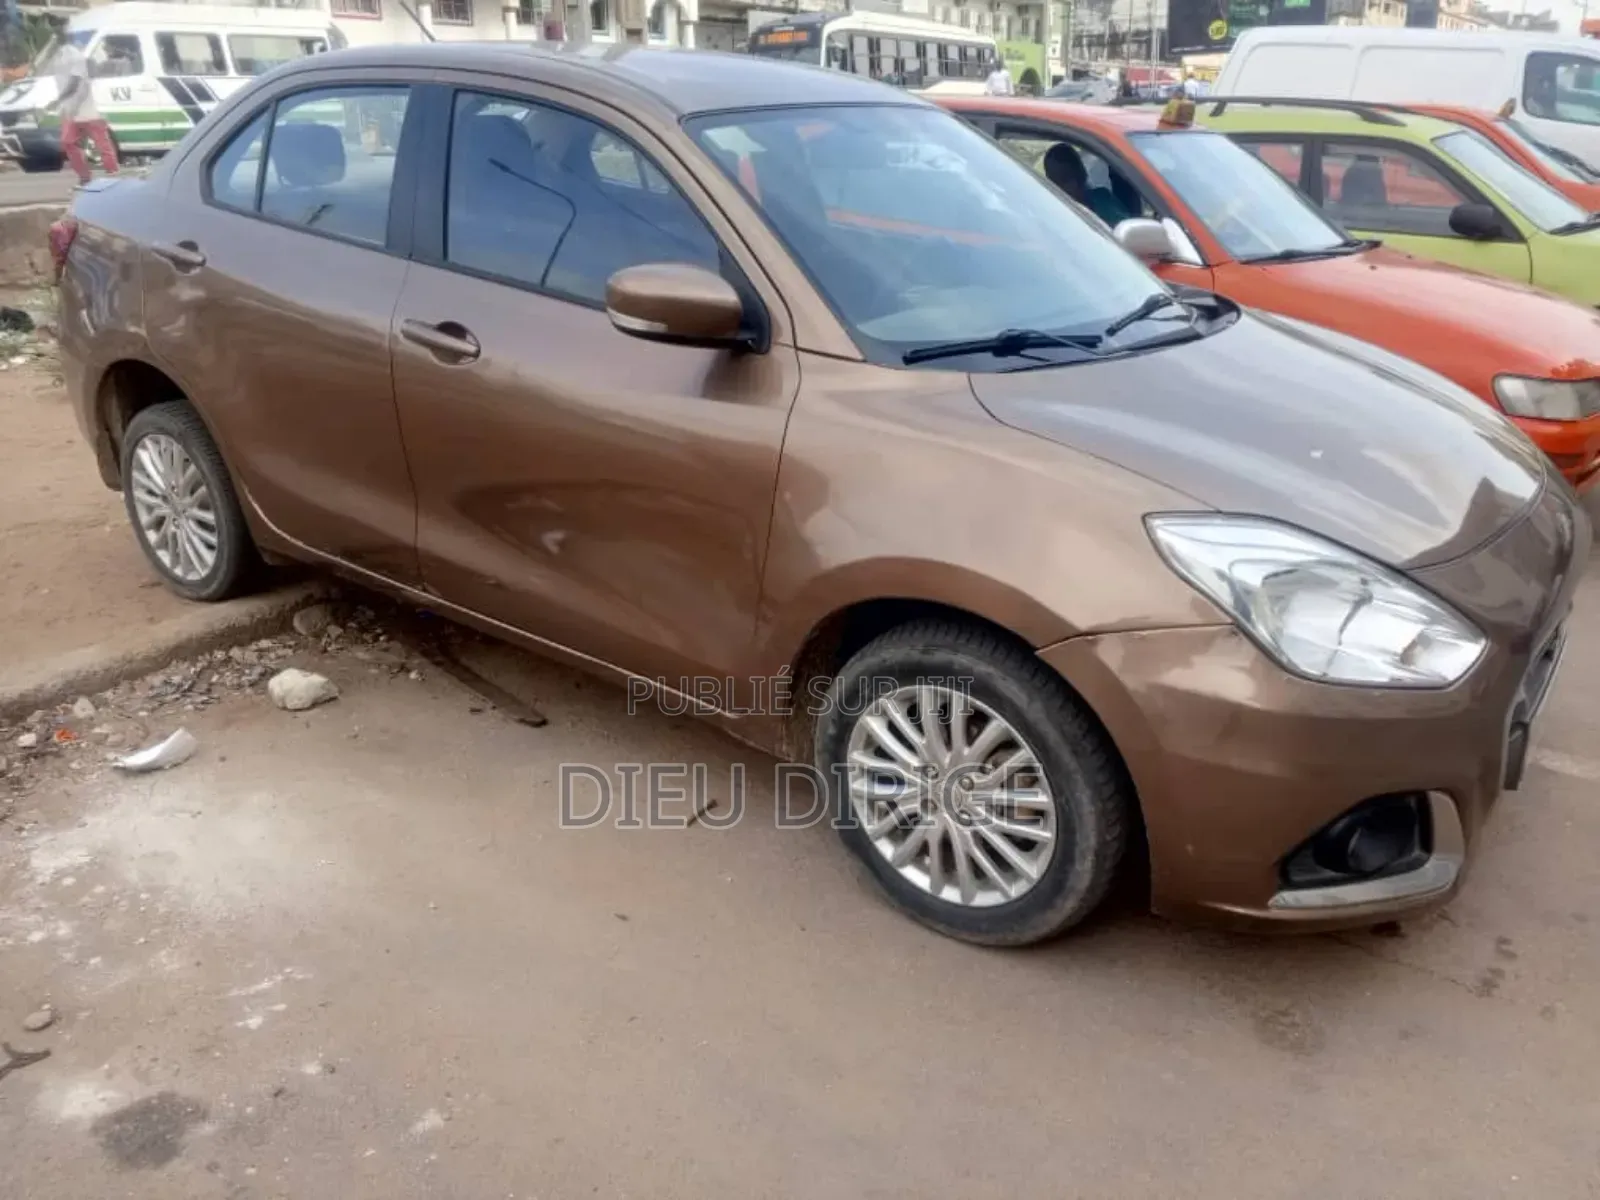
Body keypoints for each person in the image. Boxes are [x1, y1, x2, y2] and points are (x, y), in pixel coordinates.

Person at [52, 41, 119, 186]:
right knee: (68, 142)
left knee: (101, 143)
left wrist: (61, 102)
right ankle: (84, 176)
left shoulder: (76, 58)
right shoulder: (57, 58)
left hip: (88, 110)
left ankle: (112, 172)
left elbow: (78, 85)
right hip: (70, 110)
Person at [1042, 142, 1133, 227]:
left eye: (1064, 180)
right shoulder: (1048, 215)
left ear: (1080, 177)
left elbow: (1126, 231)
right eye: (1052, 182)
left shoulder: (1102, 201)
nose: (1058, 189)